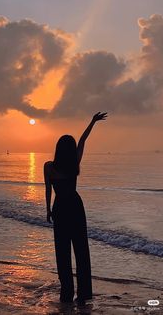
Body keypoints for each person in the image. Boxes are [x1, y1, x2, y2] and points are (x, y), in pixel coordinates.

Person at [44, 111, 108, 304]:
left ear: (57, 148)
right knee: (81, 251)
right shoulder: (74, 164)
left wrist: (47, 210)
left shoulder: (48, 166)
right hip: (75, 207)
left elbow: (48, 189)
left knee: (62, 252)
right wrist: (92, 122)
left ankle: (66, 292)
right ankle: (84, 294)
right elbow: (82, 140)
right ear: (71, 150)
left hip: (60, 208)